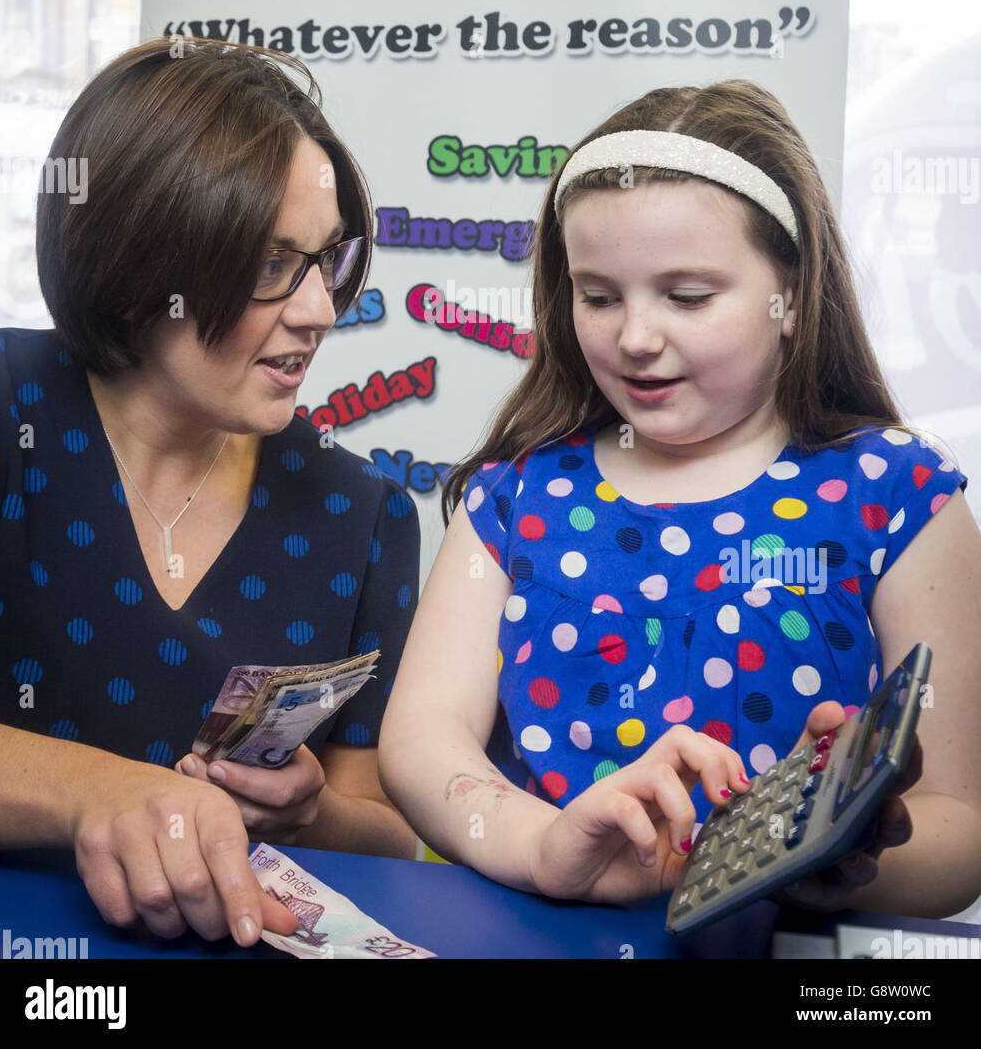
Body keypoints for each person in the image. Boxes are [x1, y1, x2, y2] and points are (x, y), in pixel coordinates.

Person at [379, 79, 981, 918]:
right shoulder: (517, 495)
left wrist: (835, 856)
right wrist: (541, 850)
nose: (634, 337)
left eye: (688, 297)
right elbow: (420, 741)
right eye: (597, 295)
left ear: (792, 296)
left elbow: (963, 828)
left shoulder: (898, 494)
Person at [0, 37, 420, 948]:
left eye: (327, 262)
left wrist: (312, 815)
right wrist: (95, 791)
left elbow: (390, 833)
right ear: (140, 260)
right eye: (268, 265)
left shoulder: (363, 514)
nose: (320, 312)